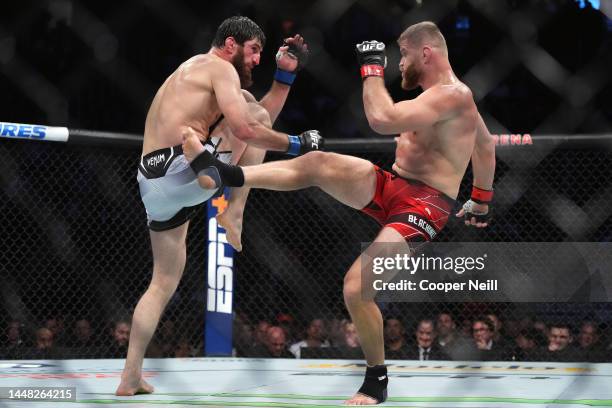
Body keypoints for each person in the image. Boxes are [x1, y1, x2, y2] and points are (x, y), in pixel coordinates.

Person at [183, 21, 495, 405]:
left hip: (424, 205)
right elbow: (484, 147)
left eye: (405, 53)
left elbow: (381, 119)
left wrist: (371, 68)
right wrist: (480, 198)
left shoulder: (455, 95)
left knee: (356, 287)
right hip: (392, 185)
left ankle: (376, 381)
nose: (400, 63)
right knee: (318, 163)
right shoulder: (452, 100)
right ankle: (230, 175)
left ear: (426, 53)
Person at [116, 16, 320, 396]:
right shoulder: (219, 68)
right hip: (180, 168)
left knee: (161, 283)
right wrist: (298, 144)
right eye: (255, 50)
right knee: (249, 117)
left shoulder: (192, 72)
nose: (258, 59)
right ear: (231, 44)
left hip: (152, 182)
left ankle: (129, 377)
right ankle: (230, 204)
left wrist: (285, 75)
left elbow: (257, 126)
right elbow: (249, 130)